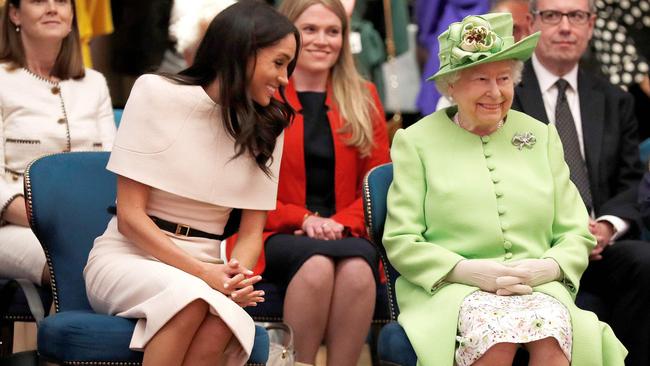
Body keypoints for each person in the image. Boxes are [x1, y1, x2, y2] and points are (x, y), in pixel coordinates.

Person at [384, 12, 627, 366]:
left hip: (537, 288)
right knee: (496, 338)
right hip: (454, 289)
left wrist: (548, 268)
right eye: (481, 78)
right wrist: (467, 271)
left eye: (504, 78)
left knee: (551, 335)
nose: (495, 92)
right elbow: (402, 239)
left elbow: (576, 231)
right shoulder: (415, 142)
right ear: (451, 85)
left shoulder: (541, 136)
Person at [83, 1, 300, 365]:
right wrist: (206, 276)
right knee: (192, 300)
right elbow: (130, 218)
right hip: (129, 257)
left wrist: (235, 280)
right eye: (278, 63)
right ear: (244, 53)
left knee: (223, 320)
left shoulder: (269, 127)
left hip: (209, 268)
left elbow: (249, 235)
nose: (285, 79)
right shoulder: (155, 92)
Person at [234, 0, 389, 364]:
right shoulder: (263, 94)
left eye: (333, 31)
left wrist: (339, 223)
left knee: (356, 269)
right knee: (317, 265)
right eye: (311, 30)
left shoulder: (363, 96)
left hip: (347, 232)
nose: (323, 40)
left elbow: (376, 183)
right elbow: (245, 186)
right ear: (288, 37)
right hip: (275, 230)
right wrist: (304, 220)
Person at [513, 0, 650, 364]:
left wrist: (605, 227)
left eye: (576, 16)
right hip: (533, 246)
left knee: (645, 260)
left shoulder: (613, 99)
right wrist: (566, 234)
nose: (565, 27)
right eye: (553, 15)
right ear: (530, 23)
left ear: (591, 25)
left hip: (599, 247)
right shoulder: (504, 95)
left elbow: (632, 182)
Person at [0, 0, 115, 287]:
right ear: (15, 13)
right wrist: (46, 219)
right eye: (39, 0)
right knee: (76, 266)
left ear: (73, 14)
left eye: (62, 1)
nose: (52, 8)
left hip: (94, 225)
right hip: (14, 226)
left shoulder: (95, 83)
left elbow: (112, 167)